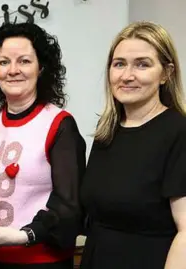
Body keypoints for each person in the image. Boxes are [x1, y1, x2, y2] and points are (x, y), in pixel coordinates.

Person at [0, 22, 86, 269]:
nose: (13, 70)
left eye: (24, 61)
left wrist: (26, 235)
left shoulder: (59, 124)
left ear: (41, 68)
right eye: (4, 62)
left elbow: (70, 204)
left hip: (40, 260)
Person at [80, 21, 186, 269]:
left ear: (166, 73)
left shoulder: (179, 132)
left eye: (142, 64)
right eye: (119, 64)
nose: (127, 75)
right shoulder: (107, 130)